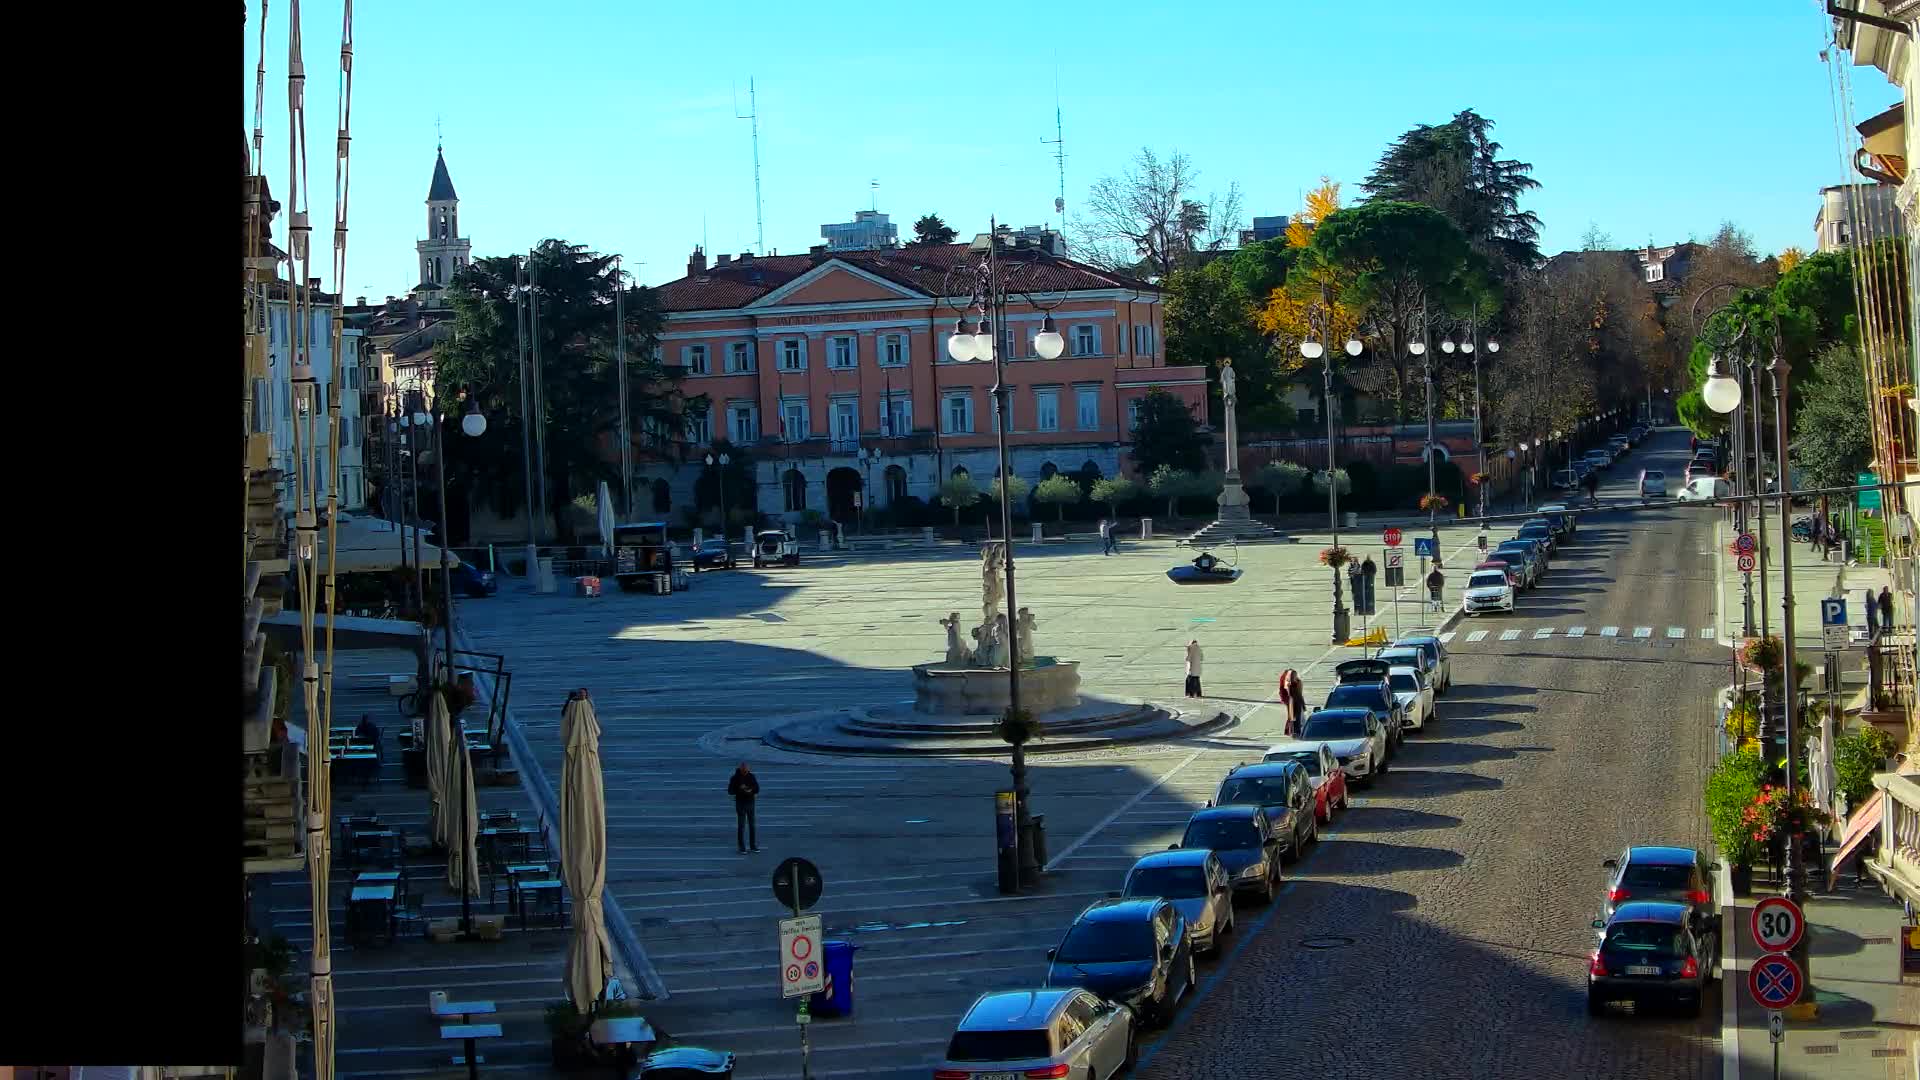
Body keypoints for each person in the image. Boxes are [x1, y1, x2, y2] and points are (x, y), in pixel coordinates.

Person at [727, 762, 761, 854]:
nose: (746, 771)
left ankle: (753, 846)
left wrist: (750, 790)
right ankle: (742, 847)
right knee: (741, 826)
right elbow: (730, 791)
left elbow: (757, 789)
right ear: (741, 769)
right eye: (744, 770)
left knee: (752, 826)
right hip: (740, 803)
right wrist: (740, 789)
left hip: (750, 803)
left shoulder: (751, 776)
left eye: (747, 770)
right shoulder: (735, 778)